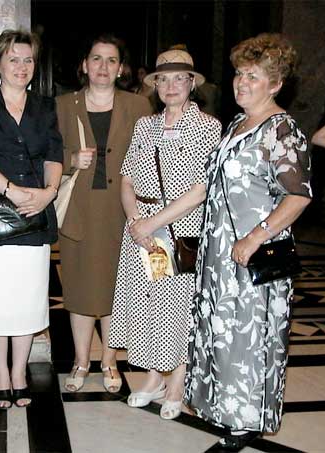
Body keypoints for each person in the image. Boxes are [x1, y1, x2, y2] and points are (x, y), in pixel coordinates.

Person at [184, 33, 312, 450]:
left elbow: (298, 196)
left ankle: (243, 421)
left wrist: (255, 237)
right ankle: (224, 410)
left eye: (253, 76)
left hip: (257, 255)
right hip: (221, 252)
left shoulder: (282, 130)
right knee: (223, 332)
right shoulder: (237, 125)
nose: (241, 82)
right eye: (239, 73)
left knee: (250, 335)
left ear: (275, 84)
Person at [108, 49, 221, 420]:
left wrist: (152, 223)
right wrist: (135, 221)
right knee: (147, 304)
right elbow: (127, 179)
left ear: (191, 83)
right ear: (155, 85)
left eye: (179, 78)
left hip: (179, 230)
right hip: (142, 231)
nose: (171, 86)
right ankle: (155, 377)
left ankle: (178, 382)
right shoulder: (145, 125)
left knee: (179, 308)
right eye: (163, 79)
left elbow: (200, 190)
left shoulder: (208, 127)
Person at [0, 29, 63, 410]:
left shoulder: (44, 106)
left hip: (35, 214)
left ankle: (19, 372)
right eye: (13, 59)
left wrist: (48, 192)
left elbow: (55, 153)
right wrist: (11, 190)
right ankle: (1, 373)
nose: (21, 67)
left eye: (28, 60)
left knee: (27, 299)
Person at [55, 34, 152, 393]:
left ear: (121, 68)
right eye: (96, 58)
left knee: (116, 288)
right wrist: (70, 159)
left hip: (121, 210)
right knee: (79, 289)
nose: (103, 66)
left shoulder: (138, 105)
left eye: (111, 60)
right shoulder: (63, 105)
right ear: (84, 64)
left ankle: (109, 361)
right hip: (78, 209)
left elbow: (150, 154)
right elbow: (46, 154)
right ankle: (81, 361)